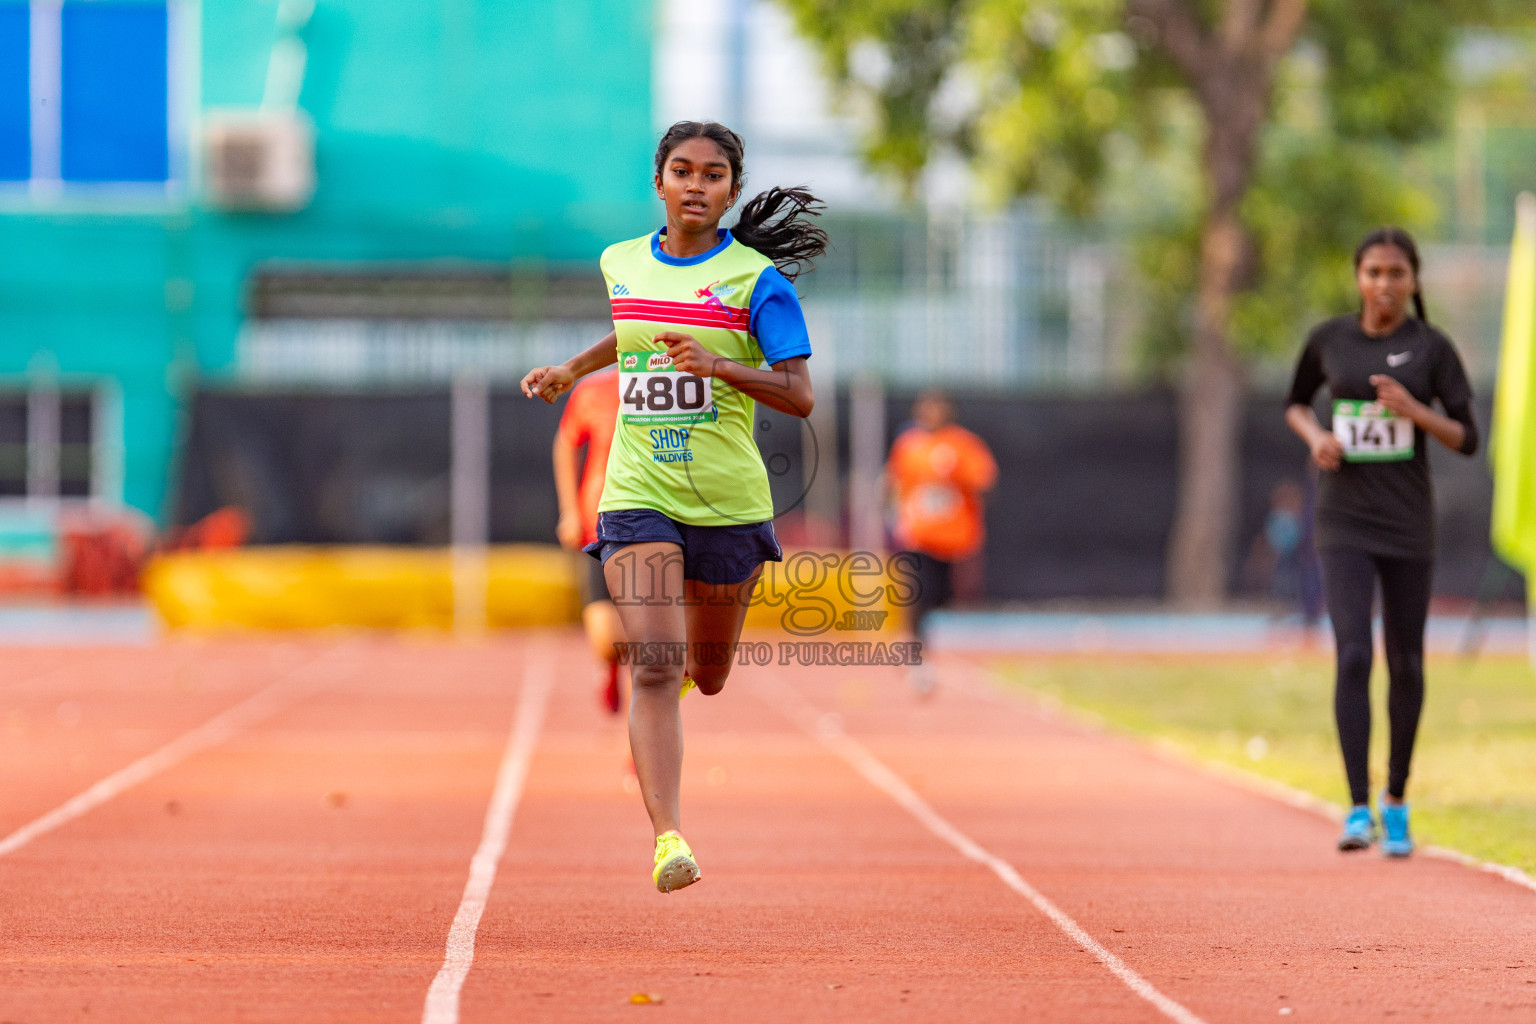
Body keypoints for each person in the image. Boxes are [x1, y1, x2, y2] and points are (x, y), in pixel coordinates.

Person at [521, 121, 825, 893]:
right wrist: (572, 370)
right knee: (653, 665)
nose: (696, 185)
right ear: (658, 181)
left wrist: (721, 364)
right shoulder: (620, 262)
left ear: (731, 189)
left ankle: (688, 685)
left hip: (726, 503)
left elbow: (800, 394)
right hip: (636, 495)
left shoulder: (757, 282)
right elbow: (631, 334)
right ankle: (669, 839)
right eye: (682, 171)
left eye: (714, 174)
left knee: (709, 674)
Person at [1284, 227, 1479, 857]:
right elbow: (1294, 403)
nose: (1385, 284)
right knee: (1351, 656)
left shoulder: (1432, 348)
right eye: (1373, 272)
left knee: (1406, 662)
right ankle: (1356, 808)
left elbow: (1467, 436)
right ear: (1358, 277)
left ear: (1414, 280)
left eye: (1397, 273)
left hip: (1406, 524)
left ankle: (1396, 800)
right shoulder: (1330, 340)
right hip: (1343, 520)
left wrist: (1415, 412)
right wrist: (1316, 438)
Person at [885, 390, 997, 695]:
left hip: (953, 539)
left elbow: (985, 482)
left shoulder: (963, 444)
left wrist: (956, 473)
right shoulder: (908, 445)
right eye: (926, 407)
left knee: (942, 598)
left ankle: (917, 643)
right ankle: (916, 655)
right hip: (917, 536)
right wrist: (894, 515)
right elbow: (894, 482)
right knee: (918, 594)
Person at [553, 365, 626, 714]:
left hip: (660, 523)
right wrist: (569, 511)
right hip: (600, 525)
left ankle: (640, 754)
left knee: (655, 647)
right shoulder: (593, 391)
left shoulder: (671, 391)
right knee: (606, 641)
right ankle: (610, 664)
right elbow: (566, 443)